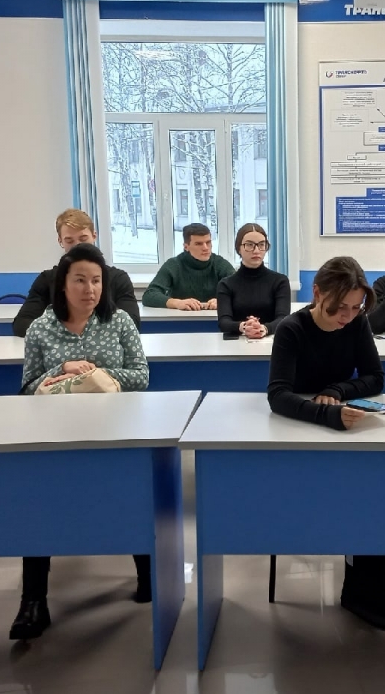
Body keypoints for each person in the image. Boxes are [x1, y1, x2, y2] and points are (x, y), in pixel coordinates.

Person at [14, 243, 150, 641]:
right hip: (56, 434)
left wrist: (97, 377)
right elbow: (27, 388)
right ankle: (33, 600)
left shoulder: (118, 321)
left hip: (114, 429)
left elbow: (141, 375)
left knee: (131, 497)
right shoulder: (41, 328)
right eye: (79, 280)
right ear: (63, 284)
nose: (89, 289)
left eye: (96, 281)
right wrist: (63, 368)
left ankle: (147, 574)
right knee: (40, 508)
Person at [267, 257, 385, 631]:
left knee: (376, 493)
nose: (347, 316)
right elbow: (278, 395)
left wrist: (337, 390)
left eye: (356, 307)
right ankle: (361, 583)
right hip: (297, 435)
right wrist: (328, 414)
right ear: (317, 293)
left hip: (341, 430)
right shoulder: (292, 329)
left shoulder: (356, 323)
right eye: (339, 307)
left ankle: (366, 586)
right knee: (346, 498)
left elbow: (375, 377)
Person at [13, 209, 139, 337]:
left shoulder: (118, 278)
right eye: (69, 241)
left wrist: (89, 337)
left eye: (83, 238)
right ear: (60, 241)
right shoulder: (46, 279)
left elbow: (132, 324)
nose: (77, 245)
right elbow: (22, 323)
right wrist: (66, 337)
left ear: (94, 236)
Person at [216, 223, 291, 338]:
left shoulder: (280, 281)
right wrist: (244, 326)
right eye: (249, 245)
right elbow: (224, 322)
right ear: (239, 248)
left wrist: (264, 328)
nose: (256, 250)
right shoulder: (226, 284)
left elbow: (283, 318)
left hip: (272, 340)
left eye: (261, 245)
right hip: (237, 343)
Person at [142, 223, 235, 310]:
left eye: (208, 242)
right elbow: (149, 295)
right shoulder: (174, 265)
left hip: (214, 318)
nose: (205, 248)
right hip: (181, 318)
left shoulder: (219, 263)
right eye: (198, 244)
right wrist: (177, 303)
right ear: (186, 247)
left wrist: (223, 300)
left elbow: (240, 290)